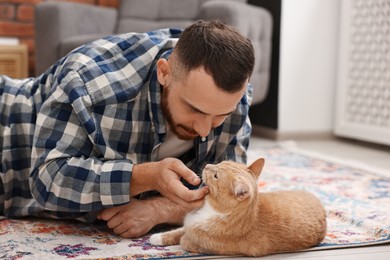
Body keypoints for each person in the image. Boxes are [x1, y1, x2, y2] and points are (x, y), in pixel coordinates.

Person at [0, 20, 255, 238]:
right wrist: (143, 177)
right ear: (164, 73)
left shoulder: (234, 99)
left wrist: (159, 209)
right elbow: (48, 180)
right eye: (195, 110)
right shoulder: (89, 80)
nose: (203, 130)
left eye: (219, 116)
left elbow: (233, 201)